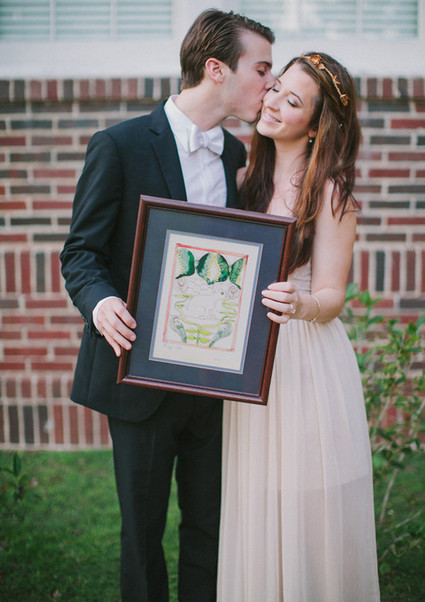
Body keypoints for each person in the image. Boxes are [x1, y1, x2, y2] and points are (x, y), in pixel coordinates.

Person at [60, 9, 275, 602]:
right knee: (142, 532)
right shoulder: (119, 145)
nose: (270, 82)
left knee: (210, 525)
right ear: (217, 69)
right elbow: (80, 252)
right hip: (138, 374)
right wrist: (101, 303)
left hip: (213, 378)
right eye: (261, 69)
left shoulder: (237, 157)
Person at [218, 53, 381, 601]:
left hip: (304, 356)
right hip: (249, 359)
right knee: (258, 492)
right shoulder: (241, 177)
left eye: (292, 101)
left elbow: (332, 295)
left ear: (315, 127)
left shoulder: (330, 191)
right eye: (275, 89)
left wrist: (302, 303)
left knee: (307, 495)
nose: (272, 103)